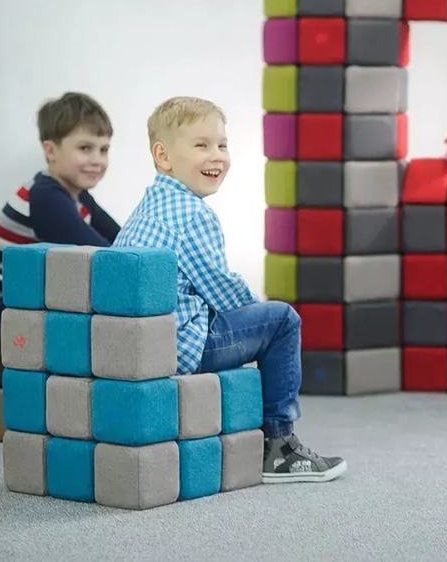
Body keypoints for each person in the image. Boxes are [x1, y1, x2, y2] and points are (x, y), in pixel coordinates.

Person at [113, 96, 346, 484]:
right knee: (282, 320)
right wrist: (259, 310)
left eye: (222, 144)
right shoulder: (192, 214)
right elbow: (225, 294)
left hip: (141, 347)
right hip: (182, 347)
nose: (217, 156)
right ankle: (279, 446)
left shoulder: (149, 206)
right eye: (201, 145)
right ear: (163, 156)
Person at [0, 92, 121, 330]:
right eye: (85, 148)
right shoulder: (46, 197)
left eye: (103, 149)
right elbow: (105, 257)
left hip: (23, 300)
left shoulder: (80, 197)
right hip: (3, 303)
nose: (97, 160)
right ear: (51, 151)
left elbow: (123, 242)